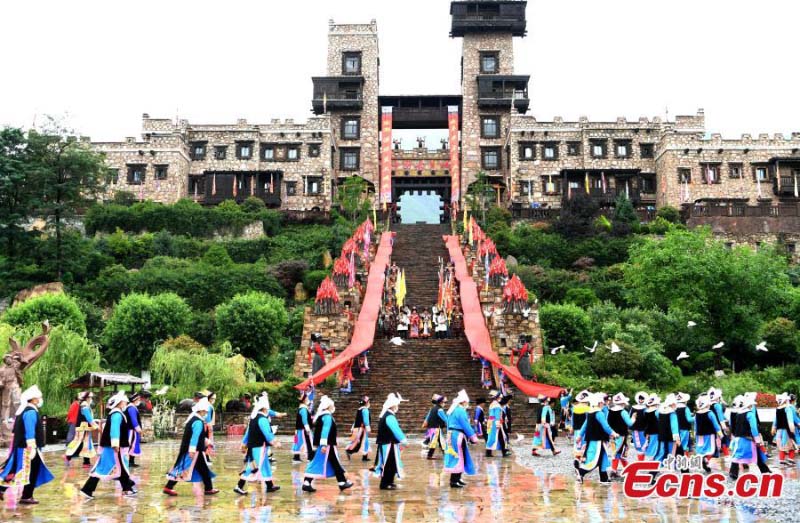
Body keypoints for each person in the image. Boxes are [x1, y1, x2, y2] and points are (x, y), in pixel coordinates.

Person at [0, 385, 54, 504]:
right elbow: (30, 432)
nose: (40, 399)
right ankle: (25, 495)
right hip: (27, 448)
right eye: (39, 397)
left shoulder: (25, 411)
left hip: (23, 447)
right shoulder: (30, 412)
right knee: (27, 470)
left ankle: (21, 494)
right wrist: (32, 446)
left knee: (19, 469)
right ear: (33, 399)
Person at [80, 392, 136, 500]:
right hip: (113, 448)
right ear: (120, 403)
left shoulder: (116, 413)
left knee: (119, 467)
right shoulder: (116, 414)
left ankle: (127, 487)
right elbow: (114, 430)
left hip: (113, 447)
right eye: (124, 401)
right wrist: (115, 444)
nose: (125, 403)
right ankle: (87, 489)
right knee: (104, 468)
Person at [163, 397, 218, 496]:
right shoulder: (198, 422)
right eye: (205, 411)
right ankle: (168, 487)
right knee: (183, 468)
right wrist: (192, 450)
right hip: (194, 451)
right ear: (201, 410)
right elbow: (195, 437)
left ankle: (209, 488)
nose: (206, 413)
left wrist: (207, 442)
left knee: (202, 468)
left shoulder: (194, 419)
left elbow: (197, 436)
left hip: (194, 449)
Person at [302, 395, 353, 493]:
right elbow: (325, 431)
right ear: (329, 406)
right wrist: (324, 444)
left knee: (318, 462)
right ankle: (342, 482)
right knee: (335, 462)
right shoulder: (327, 417)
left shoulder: (322, 416)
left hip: (326, 444)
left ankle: (307, 483)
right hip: (328, 445)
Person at [234, 394, 281, 495]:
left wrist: (243, 443)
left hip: (255, 447)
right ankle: (239, 486)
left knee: (265, 465)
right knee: (253, 467)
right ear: (264, 408)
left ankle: (269, 485)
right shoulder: (262, 419)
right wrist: (275, 442)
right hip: (258, 447)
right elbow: (267, 433)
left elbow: (248, 433)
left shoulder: (254, 418)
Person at [576, 393, 619, 485]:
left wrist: (580, 435)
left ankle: (604, 478)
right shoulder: (599, 413)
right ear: (599, 403)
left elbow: (585, 425)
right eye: (602, 402)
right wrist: (613, 433)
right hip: (598, 440)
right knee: (594, 460)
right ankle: (581, 472)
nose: (603, 404)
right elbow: (605, 426)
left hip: (593, 439)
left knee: (603, 458)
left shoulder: (590, 413)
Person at [729, 394, 770, 480]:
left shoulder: (738, 414)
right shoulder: (750, 414)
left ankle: (733, 472)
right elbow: (754, 428)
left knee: (737, 455)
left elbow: (733, 426)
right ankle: (765, 471)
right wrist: (757, 439)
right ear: (749, 405)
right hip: (748, 440)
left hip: (738, 439)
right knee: (752, 454)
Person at [443, 390, 479, 488]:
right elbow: (465, 425)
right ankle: (454, 481)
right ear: (463, 402)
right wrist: (473, 437)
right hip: (458, 435)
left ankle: (457, 479)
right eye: (467, 402)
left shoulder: (452, 410)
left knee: (457, 456)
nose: (467, 404)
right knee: (459, 456)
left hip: (452, 434)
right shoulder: (460, 411)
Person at [374, 393, 409, 490]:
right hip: (388, 444)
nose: (397, 407)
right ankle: (385, 484)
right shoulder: (389, 416)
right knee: (389, 464)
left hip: (388, 443)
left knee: (391, 463)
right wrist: (404, 440)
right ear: (393, 406)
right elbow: (396, 430)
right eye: (397, 405)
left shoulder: (386, 415)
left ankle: (389, 482)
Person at [65, 391, 98, 467]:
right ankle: (68, 456)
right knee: (79, 443)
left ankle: (86, 462)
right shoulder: (84, 405)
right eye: (90, 397)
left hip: (84, 427)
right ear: (87, 398)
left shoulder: (84, 405)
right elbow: (88, 418)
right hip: (83, 428)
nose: (91, 399)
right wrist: (96, 426)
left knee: (86, 444)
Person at [606, 393, 635, 478]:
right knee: (621, 453)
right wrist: (633, 418)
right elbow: (629, 423)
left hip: (612, 435)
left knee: (615, 452)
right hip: (622, 435)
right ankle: (626, 471)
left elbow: (607, 423)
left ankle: (615, 470)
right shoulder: (623, 412)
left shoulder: (609, 411)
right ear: (623, 403)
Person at [693, 394, 723, 472]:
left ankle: (703, 459)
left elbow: (695, 425)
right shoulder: (710, 413)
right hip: (710, 434)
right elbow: (715, 424)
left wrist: (695, 433)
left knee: (701, 449)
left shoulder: (697, 414)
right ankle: (706, 460)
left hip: (699, 434)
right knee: (710, 449)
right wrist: (720, 433)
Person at [772, 393, 796, 466]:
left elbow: (775, 420)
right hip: (786, 431)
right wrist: (792, 429)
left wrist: (773, 427)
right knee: (792, 446)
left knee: (781, 447)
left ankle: (781, 460)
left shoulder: (778, 409)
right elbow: (790, 421)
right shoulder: (788, 408)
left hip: (779, 431)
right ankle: (790, 459)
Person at [345, 396, 371, 461]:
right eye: (369, 402)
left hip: (358, 428)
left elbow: (356, 419)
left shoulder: (359, 409)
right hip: (362, 429)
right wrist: (368, 428)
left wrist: (353, 427)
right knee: (360, 442)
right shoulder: (365, 410)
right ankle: (349, 451)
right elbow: (366, 421)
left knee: (363, 441)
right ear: (367, 403)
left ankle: (364, 457)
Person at [423, 395, 448, 460]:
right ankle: (445, 455)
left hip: (432, 428)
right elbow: (445, 419)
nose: (444, 404)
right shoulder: (440, 410)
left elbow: (428, 418)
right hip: (436, 428)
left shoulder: (433, 408)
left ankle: (431, 455)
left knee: (438, 442)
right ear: (441, 403)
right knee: (439, 442)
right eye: (444, 402)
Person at [485, 391, 509, 457]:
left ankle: (488, 452)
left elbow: (491, 415)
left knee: (491, 437)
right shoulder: (497, 405)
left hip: (491, 422)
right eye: (499, 397)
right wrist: (498, 423)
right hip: (496, 423)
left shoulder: (492, 404)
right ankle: (504, 452)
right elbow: (497, 415)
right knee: (502, 437)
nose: (500, 399)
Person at [292, 391, 314, 463]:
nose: (308, 399)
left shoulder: (302, 408)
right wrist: (307, 428)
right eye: (307, 398)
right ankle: (310, 457)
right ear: (304, 400)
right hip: (303, 429)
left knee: (298, 442)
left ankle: (296, 457)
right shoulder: (303, 409)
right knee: (308, 442)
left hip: (300, 429)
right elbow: (304, 420)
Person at [126, 392, 146, 468]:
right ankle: (130, 462)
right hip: (132, 430)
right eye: (138, 399)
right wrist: (139, 430)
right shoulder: (131, 408)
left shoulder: (132, 407)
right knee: (131, 445)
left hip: (133, 430)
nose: (140, 400)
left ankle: (131, 461)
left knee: (133, 445)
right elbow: (134, 420)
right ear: (135, 400)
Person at [630, 391, 649, 461]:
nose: (641, 400)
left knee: (644, 445)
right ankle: (640, 461)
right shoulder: (633, 407)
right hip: (635, 429)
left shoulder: (646, 409)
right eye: (640, 399)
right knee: (637, 445)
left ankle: (642, 461)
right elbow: (630, 417)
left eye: (642, 399)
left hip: (643, 430)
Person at [675, 392, 694, 458]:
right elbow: (689, 419)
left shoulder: (674, 408)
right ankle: (684, 460)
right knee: (684, 445)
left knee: (676, 444)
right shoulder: (686, 408)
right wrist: (696, 417)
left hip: (676, 430)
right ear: (685, 401)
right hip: (684, 429)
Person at [643, 395, 661, 461]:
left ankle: (651, 461)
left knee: (650, 446)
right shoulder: (657, 411)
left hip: (648, 432)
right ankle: (653, 463)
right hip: (656, 431)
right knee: (655, 447)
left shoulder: (645, 412)